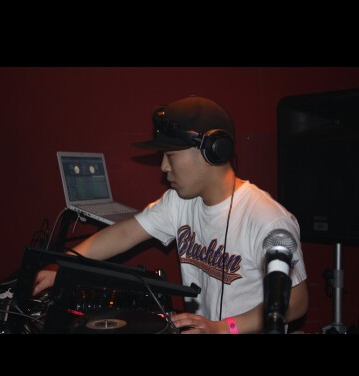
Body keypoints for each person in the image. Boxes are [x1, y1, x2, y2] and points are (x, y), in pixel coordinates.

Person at [33, 95, 308, 334]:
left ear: (212, 152)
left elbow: (296, 302)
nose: (164, 167)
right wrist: (63, 265)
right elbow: (125, 233)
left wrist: (225, 328)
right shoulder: (178, 202)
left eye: (171, 156)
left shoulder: (266, 218)